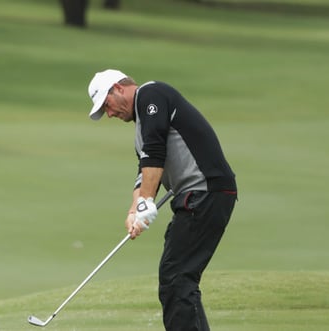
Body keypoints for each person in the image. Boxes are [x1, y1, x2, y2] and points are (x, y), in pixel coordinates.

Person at [86, 69, 237, 331]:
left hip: (205, 192)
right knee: (176, 278)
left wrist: (146, 200)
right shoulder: (142, 126)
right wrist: (135, 209)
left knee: (177, 278)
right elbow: (145, 170)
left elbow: (155, 150)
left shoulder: (151, 94)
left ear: (118, 89)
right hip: (198, 197)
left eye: (106, 105)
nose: (109, 114)